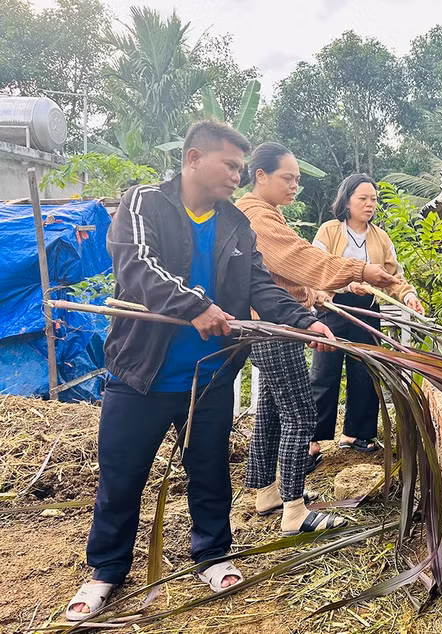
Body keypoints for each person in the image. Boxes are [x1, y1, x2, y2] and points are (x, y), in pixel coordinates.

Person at [65, 122, 337, 621]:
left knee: (209, 471)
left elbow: (260, 286)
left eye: (240, 167)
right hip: (140, 376)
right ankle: (106, 570)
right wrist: (197, 305)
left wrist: (305, 321)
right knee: (122, 476)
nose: (237, 176)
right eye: (229, 165)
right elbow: (137, 266)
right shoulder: (144, 203)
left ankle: (212, 554)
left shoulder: (236, 223)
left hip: (209, 376)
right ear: (193, 158)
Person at [234, 142, 400, 527]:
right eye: (287, 178)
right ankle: (294, 510)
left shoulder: (266, 212)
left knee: (271, 411)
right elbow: (299, 258)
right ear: (260, 175)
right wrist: (357, 271)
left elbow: (281, 275)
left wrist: (316, 294)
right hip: (276, 326)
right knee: (301, 413)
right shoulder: (257, 216)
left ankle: (268, 492)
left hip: (275, 321)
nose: (295, 185)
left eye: (297, 179)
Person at [310, 174, 423, 456]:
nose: (369, 204)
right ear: (346, 201)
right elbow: (316, 269)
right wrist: (347, 285)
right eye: (362, 198)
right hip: (333, 307)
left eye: (373, 199)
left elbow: (394, 276)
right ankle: (311, 440)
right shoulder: (329, 231)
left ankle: (356, 434)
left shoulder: (380, 237)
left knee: (365, 372)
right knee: (324, 372)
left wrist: (409, 296)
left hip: (367, 310)